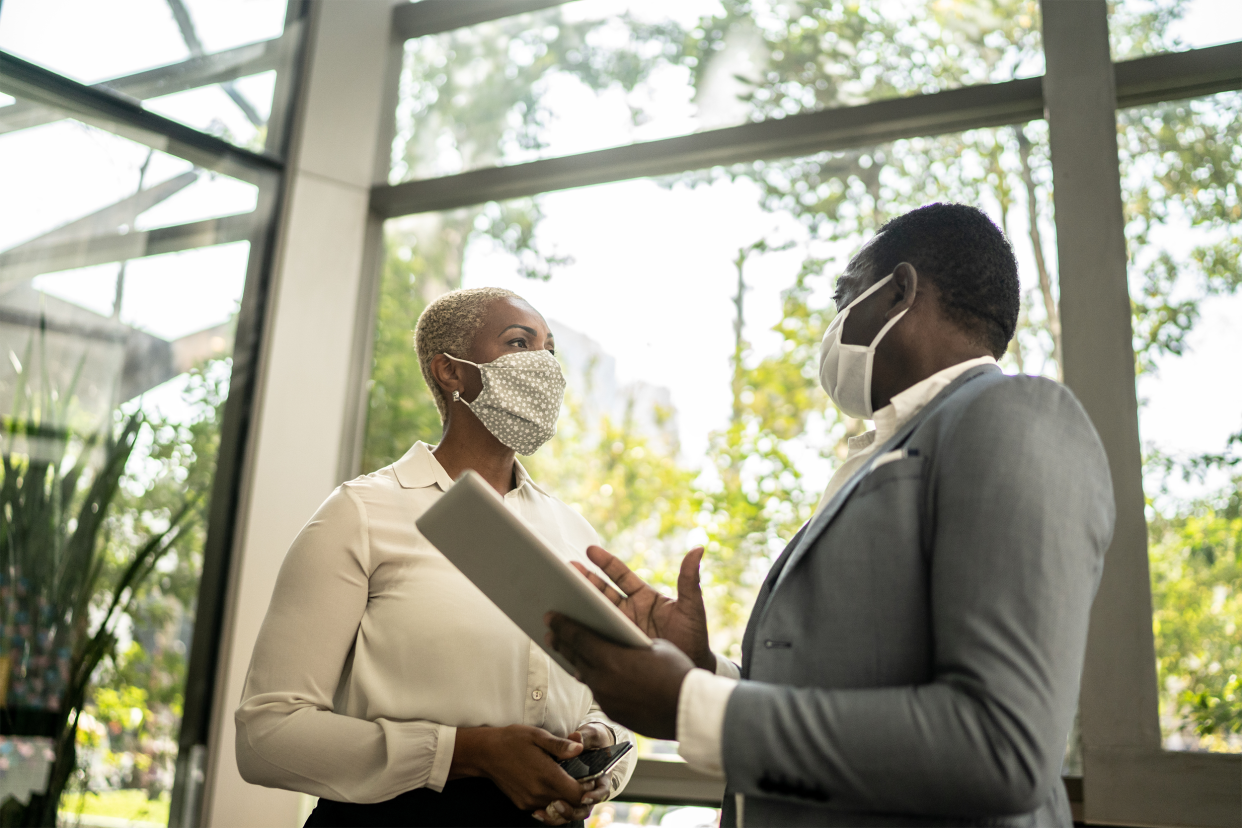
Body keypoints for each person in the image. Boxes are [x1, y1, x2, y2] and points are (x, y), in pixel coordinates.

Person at [545, 203, 1116, 828]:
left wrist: (689, 706)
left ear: (901, 290)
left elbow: (1002, 748)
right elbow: (846, 697)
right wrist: (702, 669)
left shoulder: (1015, 415)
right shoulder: (883, 450)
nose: (835, 322)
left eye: (845, 295)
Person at [236, 287, 635, 827]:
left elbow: (613, 701)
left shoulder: (573, 532)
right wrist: (465, 752)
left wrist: (600, 744)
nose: (543, 365)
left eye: (550, 350)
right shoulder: (362, 513)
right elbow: (267, 735)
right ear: (450, 372)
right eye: (520, 342)